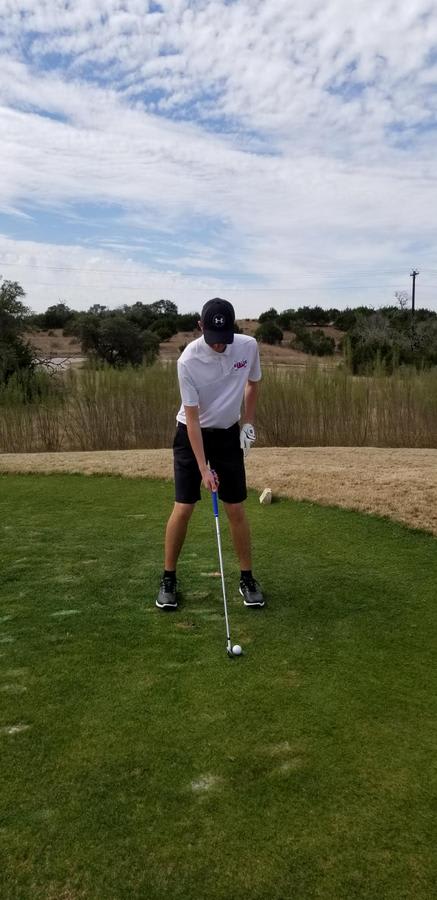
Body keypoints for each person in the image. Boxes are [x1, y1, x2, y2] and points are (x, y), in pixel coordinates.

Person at [156, 297, 265, 611]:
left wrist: (248, 423)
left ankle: (247, 579)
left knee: (236, 508)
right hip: (192, 434)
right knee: (184, 506)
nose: (219, 345)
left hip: (228, 433)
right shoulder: (187, 361)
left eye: (224, 338)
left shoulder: (248, 347)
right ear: (200, 326)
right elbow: (192, 419)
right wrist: (204, 469)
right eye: (213, 339)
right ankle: (168, 579)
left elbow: (253, 384)